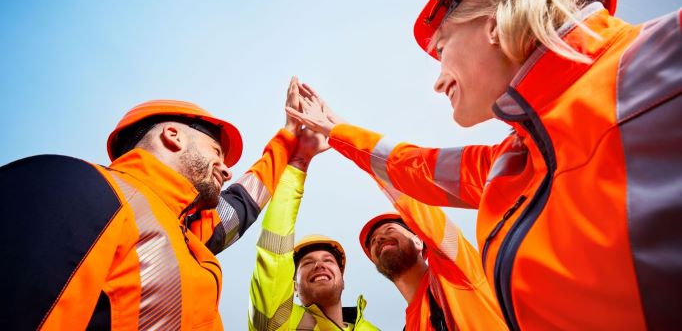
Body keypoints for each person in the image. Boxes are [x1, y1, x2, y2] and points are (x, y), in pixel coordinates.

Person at [285, 0, 682, 329]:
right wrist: (333, 129)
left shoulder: (655, 60)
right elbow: (415, 167)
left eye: (441, 48)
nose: (439, 82)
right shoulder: (515, 162)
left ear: (493, 24)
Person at [0, 84, 300, 330]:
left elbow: (242, 203)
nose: (226, 170)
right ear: (173, 135)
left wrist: (291, 139)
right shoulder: (77, 188)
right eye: (217, 152)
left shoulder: (187, 234)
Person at [248, 118, 378, 330]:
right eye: (307, 263)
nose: (319, 264)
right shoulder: (280, 323)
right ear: (294, 287)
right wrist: (298, 164)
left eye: (328, 260)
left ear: (343, 281)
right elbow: (274, 254)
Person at [359, 185, 507, 331]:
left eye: (390, 229)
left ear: (419, 241)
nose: (379, 239)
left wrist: (378, 167)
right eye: (373, 241)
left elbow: (421, 212)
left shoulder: (456, 271)